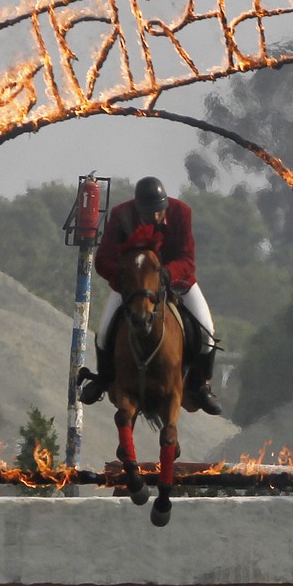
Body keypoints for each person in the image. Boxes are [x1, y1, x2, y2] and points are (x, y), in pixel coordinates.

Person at [76, 176, 222, 415]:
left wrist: (165, 275)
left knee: (207, 330)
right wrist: (128, 279)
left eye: (158, 212)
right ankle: (103, 380)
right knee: (103, 333)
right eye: (148, 213)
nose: (154, 218)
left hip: (177, 281)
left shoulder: (182, 213)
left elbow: (187, 259)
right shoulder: (121, 215)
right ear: (137, 207)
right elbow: (103, 260)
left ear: (165, 206)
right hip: (134, 287)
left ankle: (199, 386)